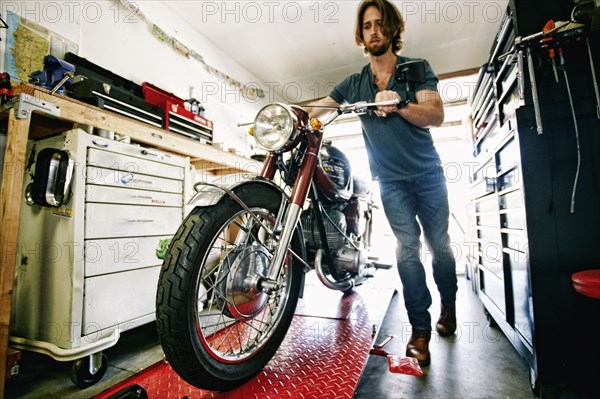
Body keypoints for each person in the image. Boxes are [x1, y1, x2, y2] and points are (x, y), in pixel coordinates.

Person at [308, 0, 458, 366]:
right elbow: (320, 109)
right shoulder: (355, 83)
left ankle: (449, 306)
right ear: (361, 34)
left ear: (391, 30)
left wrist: (400, 103)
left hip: (428, 176)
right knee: (407, 249)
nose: (374, 31)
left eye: (380, 24)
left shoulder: (415, 68)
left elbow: (435, 114)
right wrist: (282, 117)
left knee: (440, 246)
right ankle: (420, 330)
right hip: (390, 182)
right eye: (367, 25)